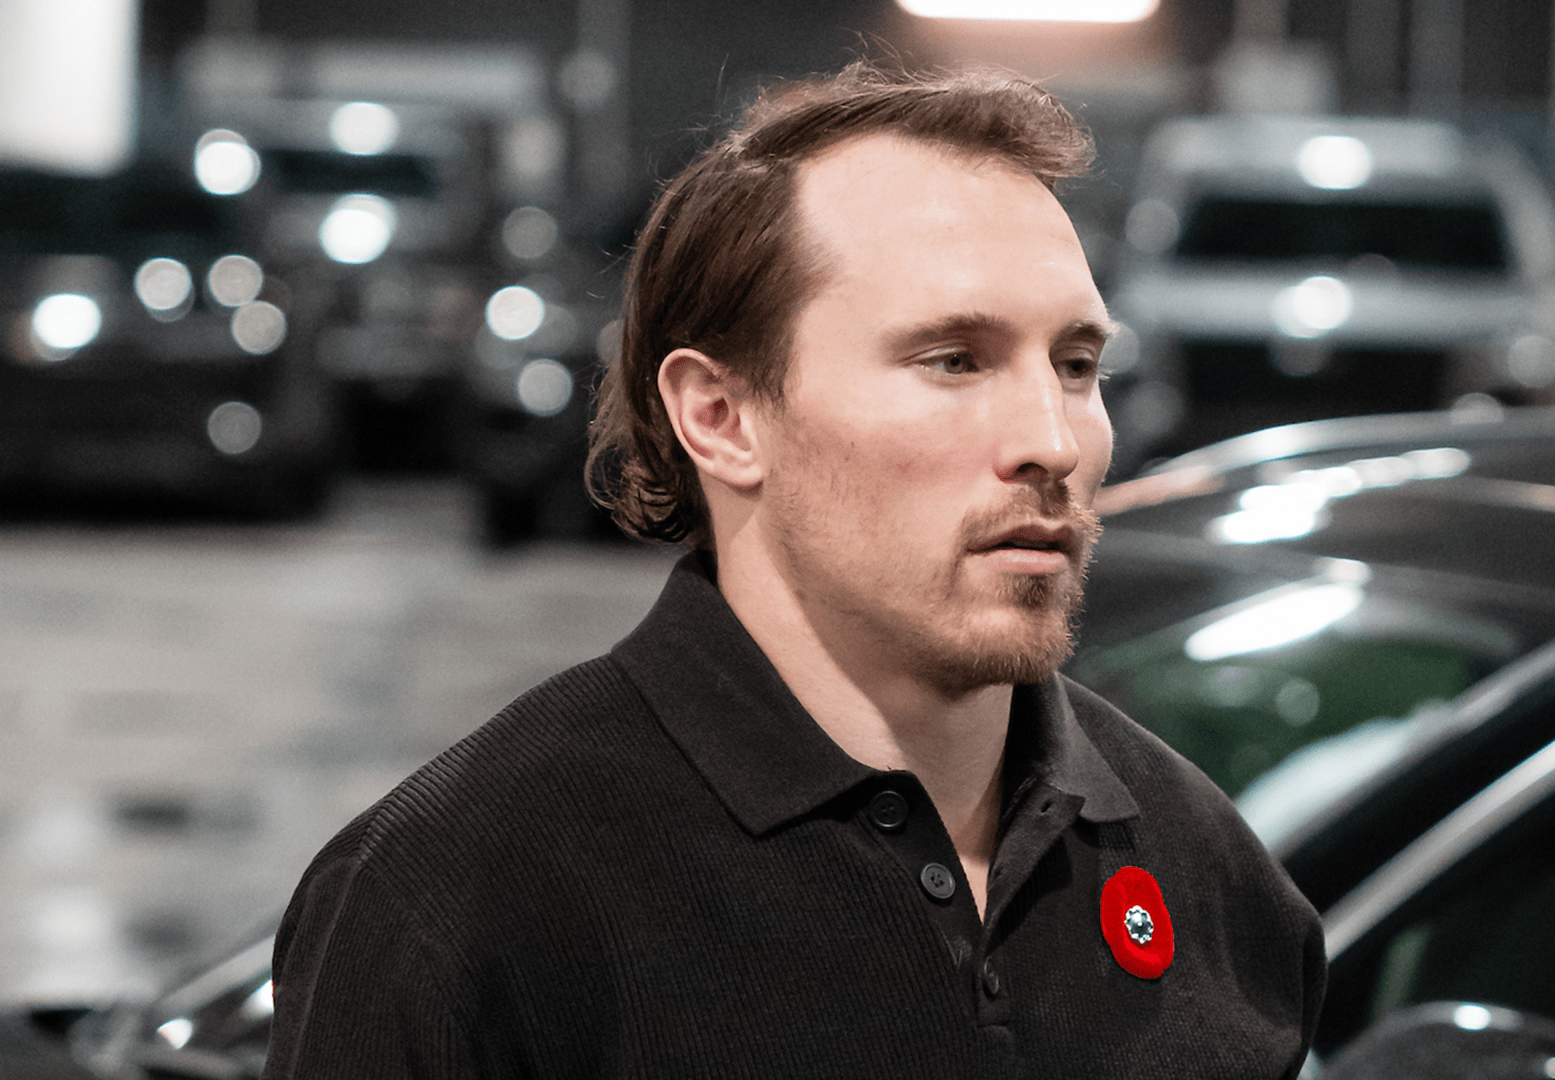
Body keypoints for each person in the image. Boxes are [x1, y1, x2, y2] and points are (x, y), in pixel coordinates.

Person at [264, 63, 1324, 1079]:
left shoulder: (1214, 879)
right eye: (954, 360)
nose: (1052, 440)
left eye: (1077, 364)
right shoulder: (457, 904)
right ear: (722, 416)